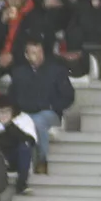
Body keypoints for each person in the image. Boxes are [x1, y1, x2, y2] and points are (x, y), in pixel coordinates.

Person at [8, 39, 73, 174]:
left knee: (37, 121)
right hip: (24, 113)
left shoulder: (56, 71)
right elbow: (11, 98)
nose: (37, 55)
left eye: (39, 52)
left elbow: (68, 96)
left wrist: (51, 106)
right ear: (26, 55)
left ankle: (42, 160)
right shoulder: (19, 73)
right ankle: (20, 166)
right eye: (33, 53)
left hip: (49, 114)